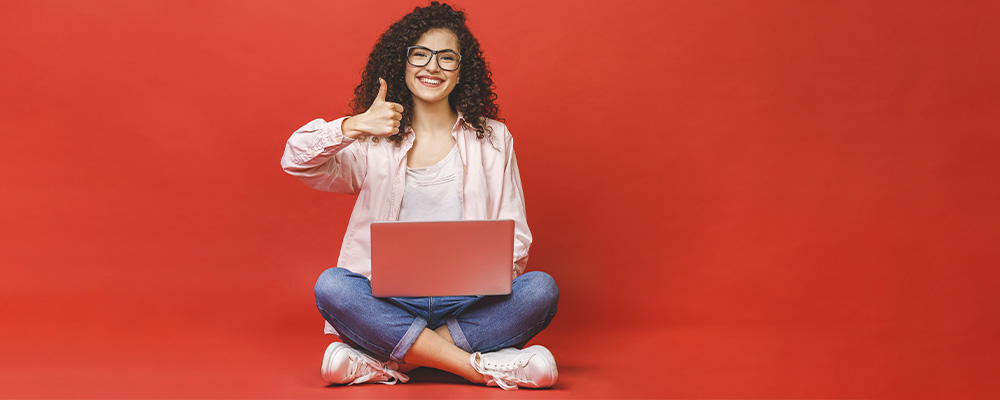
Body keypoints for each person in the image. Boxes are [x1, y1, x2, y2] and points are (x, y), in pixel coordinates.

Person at [280, 2, 559, 390]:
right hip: (388, 301)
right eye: (421, 54)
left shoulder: (494, 138)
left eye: (447, 58)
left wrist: (476, 277)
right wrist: (355, 125)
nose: (433, 67)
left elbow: (518, 240)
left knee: (541, 289)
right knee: (333, 286)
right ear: (403, 63)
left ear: (462, 71)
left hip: (467, 302)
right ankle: (476, 367)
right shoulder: (372, 141)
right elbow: (296, 160)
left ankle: (389, 361)